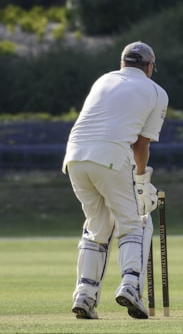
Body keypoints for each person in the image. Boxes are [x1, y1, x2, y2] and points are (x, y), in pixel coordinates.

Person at [63, 41, 169, 319]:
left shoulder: (103, 80)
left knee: (97, 227)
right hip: (110, 156)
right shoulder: (155, 91)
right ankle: (131, 285)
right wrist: (142, 180)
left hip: (74, 156)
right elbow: (141, 145)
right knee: (132, 224)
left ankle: (85, 295)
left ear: (123, 63)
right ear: (149, 67)